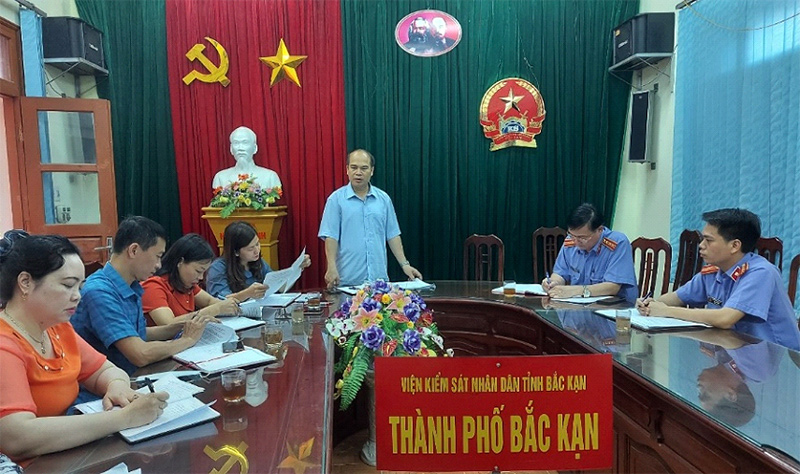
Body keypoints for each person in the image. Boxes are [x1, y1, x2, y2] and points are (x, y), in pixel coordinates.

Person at [0, 231, 167, 461]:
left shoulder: (56, 328)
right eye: (68, 285)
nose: (77, 296)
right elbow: (16, 437)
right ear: (25, 282)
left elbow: (106, 371)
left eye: (79, 286)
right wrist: (125, 418)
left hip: (59, 455)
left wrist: (117, 386)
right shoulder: (5, 344)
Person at [637, 208, 800, 351]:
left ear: (735, 246)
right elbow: (674, 298)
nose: (701, 245)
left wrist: (666, 311)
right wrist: (650, 304)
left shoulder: (761, 272)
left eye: (708, 240)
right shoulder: (713, 271)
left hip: (776, 358)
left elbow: (725, 319)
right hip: (735, 349)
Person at [71, 217, 213, 375]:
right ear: (134, 250)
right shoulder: (99, 291)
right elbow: (140, 354)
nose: (159, 265)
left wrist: (184, 326)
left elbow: (138, 333)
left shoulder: (130, 285)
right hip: (113, 383)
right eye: (158, 256)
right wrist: (187, 340)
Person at [318, 149, 422, 287]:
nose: (358, 172)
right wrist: (331, 267)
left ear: (371, 171)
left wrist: (405, 264)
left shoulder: (383, 199)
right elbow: (331, 237)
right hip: (347, 280)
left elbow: (392, 235)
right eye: (354, 167)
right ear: (347, 169)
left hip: (378, 281)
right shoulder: (336, 200)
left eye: (364, 168)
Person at [542, 203, 638, 302]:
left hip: (614, 307)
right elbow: (560, 273)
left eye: (582, 238)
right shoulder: (570, 241)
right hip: (579, 306)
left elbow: (613, 287)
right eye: (571, 235)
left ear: (600, 230)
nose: (576, 241)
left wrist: (575, 291)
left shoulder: (617, 243)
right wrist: (554, 283)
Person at [142, 234, 240, 326]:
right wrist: (216, 309)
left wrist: (228, 305)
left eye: (204, 272)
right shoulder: (153, 286)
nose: (201, 277)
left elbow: (209, 301)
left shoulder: (186, 285)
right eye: (198, 271)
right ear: (180, 262)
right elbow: (168, 324)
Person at [206, 221, 311, 300]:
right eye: (250, 248)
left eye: (257, 244)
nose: (257, 250)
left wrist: (298, 268)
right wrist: (247, 293)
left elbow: (280, 288)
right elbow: (220, 302)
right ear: (236, 252)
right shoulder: (217, 268)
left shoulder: (257, 262)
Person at [212, 126, 282, 190]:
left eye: (245, 142)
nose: (240, 148)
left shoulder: (270, 177)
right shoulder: (220, 177)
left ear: (255, 148)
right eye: (236, 143)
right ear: (231, 149)